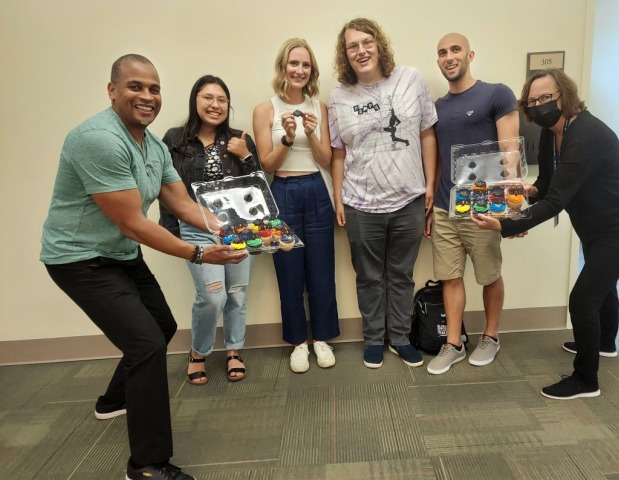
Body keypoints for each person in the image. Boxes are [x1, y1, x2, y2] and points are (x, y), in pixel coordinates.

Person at [40, 54, 247, 480]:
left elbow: (181, 203)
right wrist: (199, 254)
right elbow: (134, 222)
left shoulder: (153, 146)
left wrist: (231, 228)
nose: (147, 96)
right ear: (112, 89)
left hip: (118, 254)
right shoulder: (98, 140)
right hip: (78, 259)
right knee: (148, 343)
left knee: (161, 324)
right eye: (135, 87)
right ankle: (147, 465)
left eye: (153, 89)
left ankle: (114, 400)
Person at [472, 68, 619, 400]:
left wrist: (506, 224)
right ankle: (605, 343)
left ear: (564, 95)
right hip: (596, 225)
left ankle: (586, 381)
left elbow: (556, 201)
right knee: (602, 284)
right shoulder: (550, 133)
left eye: (546, 98)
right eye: (532, 100)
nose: (539, 105)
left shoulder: (586, 134)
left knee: (583, 299)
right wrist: (525, 190)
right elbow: (547, 187)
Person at [328, 18, 437, 369]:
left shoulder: (411, 79)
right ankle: (374, 338)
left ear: (379, 44)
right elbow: (338, 152)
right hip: (360, 202)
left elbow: (427, 134)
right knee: (369, 277)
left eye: (366, 42)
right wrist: (338, 197)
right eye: (352, 46)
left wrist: (430, 185)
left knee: (402, 274)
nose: (361, 50)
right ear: (345, 55)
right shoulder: (339, 96)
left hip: (408, 199)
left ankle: (401, 337)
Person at [426, 33, 519, 375]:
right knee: (450, 277)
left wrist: (514, 210)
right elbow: (435, 159)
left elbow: (510, 152)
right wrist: (430, 200)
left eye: (455, 50)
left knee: (489, 275)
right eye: (442, 53)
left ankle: (491, 337)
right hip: (444, 206)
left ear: (470, 55)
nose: (448, 57)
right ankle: (453, 344)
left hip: (483, 206)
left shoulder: (496, 94)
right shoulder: (436, 108)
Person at [159, 75, 260, 385]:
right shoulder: (175, 139)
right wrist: (171, 230)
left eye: (221, 99)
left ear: (228, 105)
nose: (215, 105)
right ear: (195, 100)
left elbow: (258, 186)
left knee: (237, 295)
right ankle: (199, 351)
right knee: (212, 297)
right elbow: (166, 188)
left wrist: (245, 154)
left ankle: (233, 351)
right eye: (208, 97)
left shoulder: (239, 137)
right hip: (196, 229)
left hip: (239, 229)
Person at [252, 38, 339, 373]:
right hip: (283, 190)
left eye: (305, 65)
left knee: (321, 269)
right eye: (294, 63)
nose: (299, 70)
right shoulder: (265, 109)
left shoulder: (321, 108)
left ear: (311, 71)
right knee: (288, 272)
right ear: (283, 67)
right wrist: (288, 138)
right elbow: (267, 166)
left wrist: (312, 134)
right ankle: (299, 343)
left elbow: (326, 159)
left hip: (317, 189)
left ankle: (323, 338)